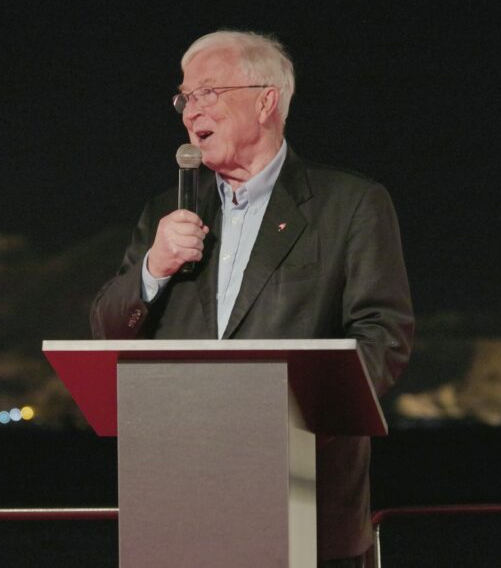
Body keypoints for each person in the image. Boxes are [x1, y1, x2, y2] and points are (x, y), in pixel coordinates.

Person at [91, 30, 414, 566]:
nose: (192, 110)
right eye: (185, 97)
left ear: (267, 101)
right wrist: (154, 267)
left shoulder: (350, 204)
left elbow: (385, 338)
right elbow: (105, 332)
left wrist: (293, 419)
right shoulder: (166, 213)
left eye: (209, 92)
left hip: (305, 499)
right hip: (180, 507)